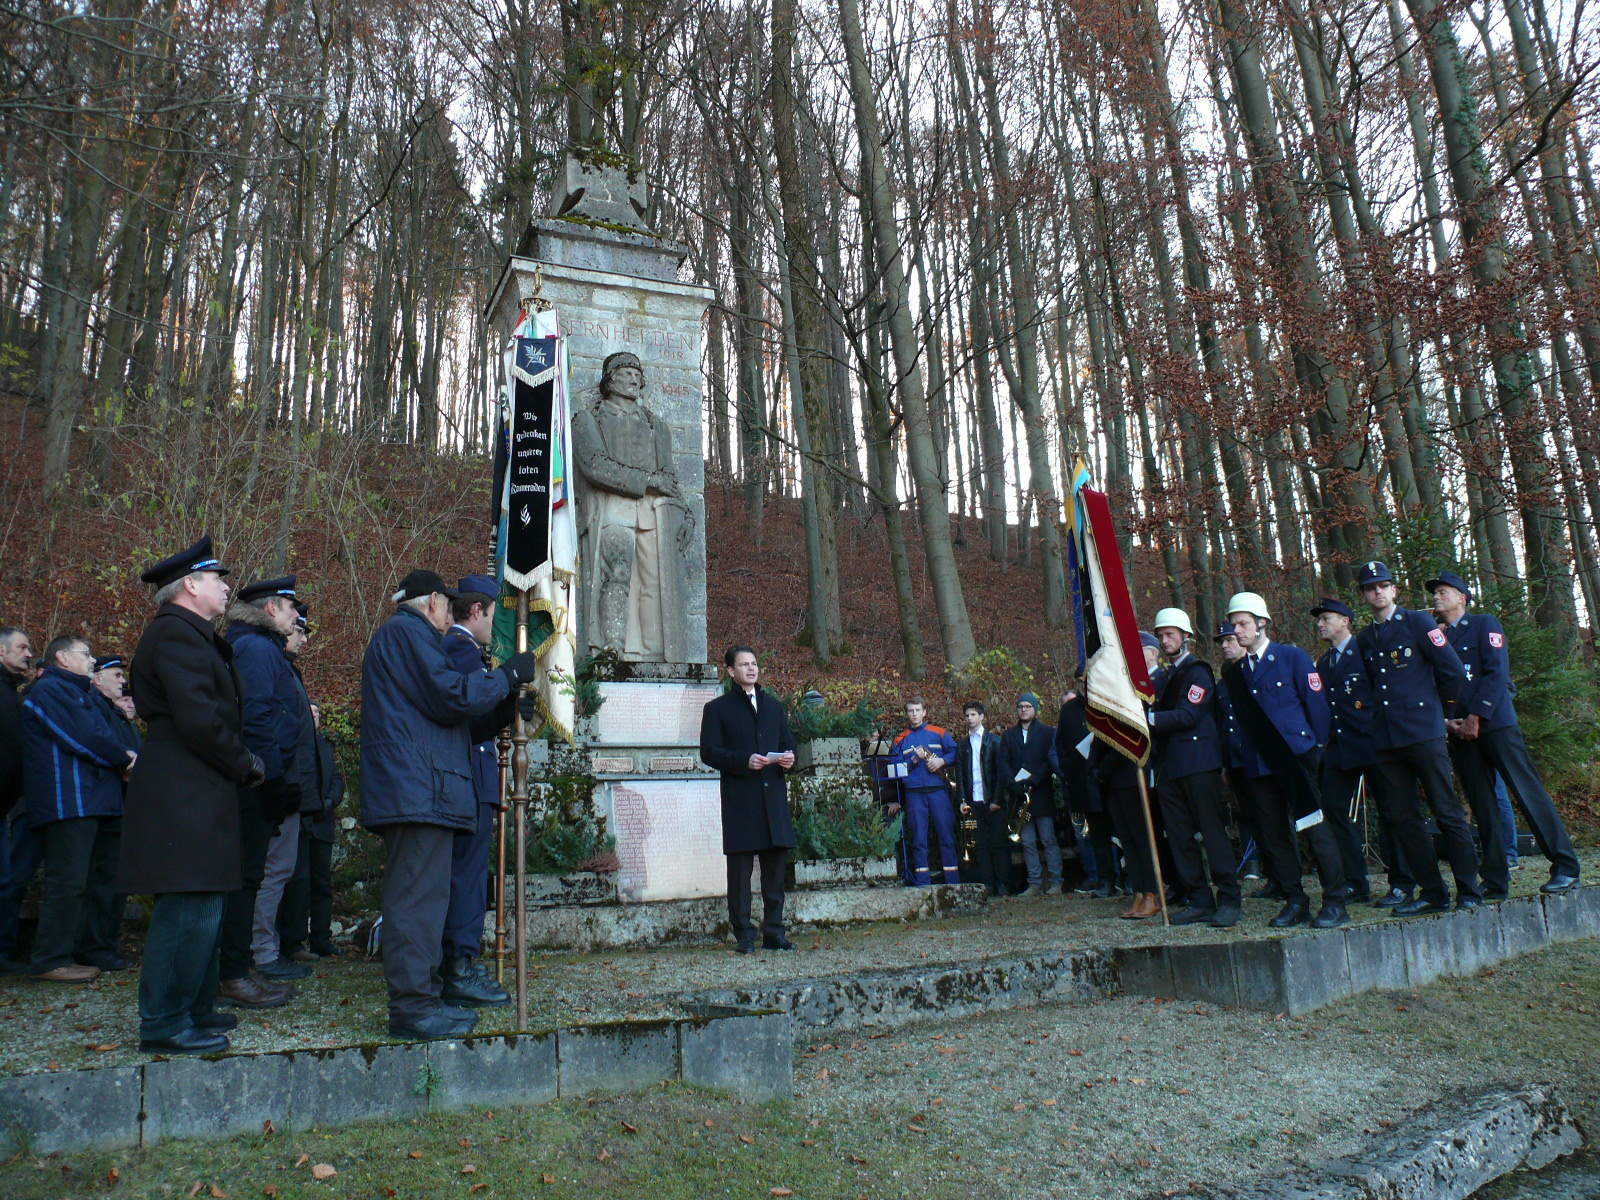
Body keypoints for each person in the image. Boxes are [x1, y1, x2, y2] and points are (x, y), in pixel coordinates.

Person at [359, 569, 536, 1039]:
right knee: (416, 903)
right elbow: (451, 695)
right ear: (433, 601)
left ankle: (425, 998)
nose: (450, 615)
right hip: (416, 790)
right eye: (447, 604)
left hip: (423, 787)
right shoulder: (405, 633)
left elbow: (452, 724)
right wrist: (505, 677)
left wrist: (501, 708)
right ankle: (413, 1009)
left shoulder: (407, 638)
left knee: (427, 900)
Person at [119, 535, 265, 1054]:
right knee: (187, 904)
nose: (226, 587)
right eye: (217, 579)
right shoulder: (176, 636)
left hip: (196, 786)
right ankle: (163, 1021)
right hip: (184, 788)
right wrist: (244, 762)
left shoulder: (192, 635)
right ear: (189, 585)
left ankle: (194, 1008)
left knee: (204, 901)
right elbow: (200, 720)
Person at [1429, 570, 1580, 896]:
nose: (1436, 597)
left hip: (1496, 725)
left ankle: (1566, 867)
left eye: (1443, 592)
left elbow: (1497, 673)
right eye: (1435, 593)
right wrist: (1448, 722)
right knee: (1484, 807)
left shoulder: (1485, 624)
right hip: (1462, 735)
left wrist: (1476, 716)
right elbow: (1435, 685)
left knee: (1528, 793)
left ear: (1461, 597)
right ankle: (1495, 879)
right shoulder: (1439, 638)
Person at [1353, 560, 1482, 915]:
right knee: (1404, 819)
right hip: (1386, 741)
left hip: (1424, 734)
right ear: (1364, 596)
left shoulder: (1418, 622)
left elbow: (1452, 671)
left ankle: (1469, 890)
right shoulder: (1365, 639)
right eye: (1370, 587)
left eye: (1383, 585)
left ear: (1394, 590)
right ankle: (1432, 893)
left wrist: (1437, 715)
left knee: (1447, 812)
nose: (1377, 591)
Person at [1221, 591, 1351, 929]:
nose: (1238, 631)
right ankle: (1296, 900)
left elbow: (1317, 707)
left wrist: (1316, 751)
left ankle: (1336, 901)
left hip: (1296, 758)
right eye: (1234, 625)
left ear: (1263, 624)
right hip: (1259, 763)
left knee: (1316, 830)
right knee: (1274, 834)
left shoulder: (1291, 658)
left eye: (1244, 623)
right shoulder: (1237, 672)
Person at [19, 636, 136, 981]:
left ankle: (77, 952)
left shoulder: (80, 694)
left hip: (90, 800)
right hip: (68, 800)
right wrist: (125, 759)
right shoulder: (51, 691)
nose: (92, 660)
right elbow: (83, 737)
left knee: (85, 882)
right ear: (62, 658)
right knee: (67, 883)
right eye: (86, 654)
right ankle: (50, 959)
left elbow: (101, 734)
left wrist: (123, 757)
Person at [222, 576, 307, 1005]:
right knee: (245, 878)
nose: (297, 616)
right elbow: (257, 718)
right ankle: (233, 974)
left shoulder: (257, 647)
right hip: (254, 784)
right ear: (271, 608)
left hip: (260, 778)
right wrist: (271, 779)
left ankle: (238, 970)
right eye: (292, 607)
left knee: (251, 876)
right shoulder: (255, 649)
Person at [438, 574, 516, 1007]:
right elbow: (466, 713)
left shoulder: (468, 651)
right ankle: (458, 964)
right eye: (493, 615)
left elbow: (477, 721)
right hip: (468, 779)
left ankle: (461, 960)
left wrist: (505, 709)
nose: (495, 624)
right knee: (466, 878)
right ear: (476, 611)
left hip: (477, 778)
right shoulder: (459, 649)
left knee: (469, 877)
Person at [1311, 597, 1413, 908]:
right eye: (1320, 619)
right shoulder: (1324, 663)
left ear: (1345, 621)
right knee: (1333, 812)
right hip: (1340, 748)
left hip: (1373, 744)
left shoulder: (1365, 651)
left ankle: (1402, 883)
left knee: (1391, 813)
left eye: (1326, 618)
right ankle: (1355, 882)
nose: (1320, 624)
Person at [698, 645, 797, 953]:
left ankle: (774, 932)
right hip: (741, 800)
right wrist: (744, 761)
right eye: (744, 665)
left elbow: (787, 744)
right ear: (731, 671)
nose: (751, 669)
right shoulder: (717, 709)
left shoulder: (773, 707)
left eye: (754, 663)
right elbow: (709, 752)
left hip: (773, 801)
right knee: (740, 873)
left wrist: (788, 759)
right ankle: (744, 935)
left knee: (774, 873)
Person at [1149, 609, 1239, 928]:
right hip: (1169, 768)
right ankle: (1199, 899)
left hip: (1199, 763)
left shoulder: (1197, 671)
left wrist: (1148, 720)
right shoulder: (1164, 677)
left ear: (1185, 636)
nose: (1164, 639)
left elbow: (1188, 714)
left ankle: (1228, 898)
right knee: (1179, 837)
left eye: (1170, 634)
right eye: (1161, 635)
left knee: (1212, 833)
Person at [251, 605, 318, 981]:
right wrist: (278, 782)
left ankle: (268, 947)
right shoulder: (264, 657)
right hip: (277, 786)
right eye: (298, 628)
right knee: (272, 873)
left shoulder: (288, 670)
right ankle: (261, 952)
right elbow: (264, 725)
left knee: (281, 872)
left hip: (290, 788)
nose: (303, 637)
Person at [278, 699, 345, 962]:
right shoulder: (294, 745)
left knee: (322, 884)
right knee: (297, 883)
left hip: (322, 823)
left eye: (317, 712)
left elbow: (336, 780)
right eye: (310, 711)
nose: (314, 716)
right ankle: (292, 941)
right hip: (303, 823)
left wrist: (328, 802)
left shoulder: (325, 747)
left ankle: (321, 938)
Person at [890, 698, 961, 887]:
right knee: (918, 838)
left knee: (946, 835)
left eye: (917, 710)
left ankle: (953, 883)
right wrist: (913, 760)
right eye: (910, 711)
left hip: (938, 790)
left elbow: (956, 752)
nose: (914, 714)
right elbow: (893, 770)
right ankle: (923, 884)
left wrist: (942, 762)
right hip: (914, 794)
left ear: (924, 712)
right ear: (907, 714)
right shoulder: (899, 740)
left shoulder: (939, 733)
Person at [996, 692, 1062, 896]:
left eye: (1028, 706)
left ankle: (1055, 881)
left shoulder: (1047, 732)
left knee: (1048, 839)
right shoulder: (1008, 735)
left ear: (1035, 709)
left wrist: (1033, 781)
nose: (1024, 710)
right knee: (1027, 840)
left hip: (1040, 793)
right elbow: (1003, 763)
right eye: (1021, 706)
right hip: (1018, 797)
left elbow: (1049, 761)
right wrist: (1012, 785)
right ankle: (1034, 882)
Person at [1212, 622, 1262, 885]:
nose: (1224, 646)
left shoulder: (1255, 672)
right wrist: (1224, 764)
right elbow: (1221, 725)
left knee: (1272, 812)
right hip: (1234, 759)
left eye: (1229, 640)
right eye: (1221, 642)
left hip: (1259, 756)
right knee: (1245, 813)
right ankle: (1252, 863)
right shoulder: (1222, 684)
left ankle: (1280, 870)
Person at [1056, 683, 1116, 897]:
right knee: (1096, 835)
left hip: (1108, 779)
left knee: (1119, 832)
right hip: (1082, 781)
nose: (1084, 685)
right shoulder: (1069, 710)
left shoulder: (1106, 702)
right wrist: (1067, 769)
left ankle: (1128, 878)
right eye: (1081, 681)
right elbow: (1060, 743)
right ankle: (1105, 880)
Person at [0, 626, 35, 973]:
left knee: (5, 880)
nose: (28, 653)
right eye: (22, 647)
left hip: (6, 805)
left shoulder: (11, 693)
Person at [953, 700, 1006, 896]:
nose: (969, 718)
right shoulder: (962, 745)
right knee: (981, 845)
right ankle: (988, 884)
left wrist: (997, 799)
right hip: (974, 800)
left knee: (999, 843)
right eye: (967, 715)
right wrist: (962, 800)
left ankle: (1003, 883)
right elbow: (960, 775)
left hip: (992, 800)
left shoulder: (994, 741)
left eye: (973, 715)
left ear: (982, 717)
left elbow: (1000, 773)